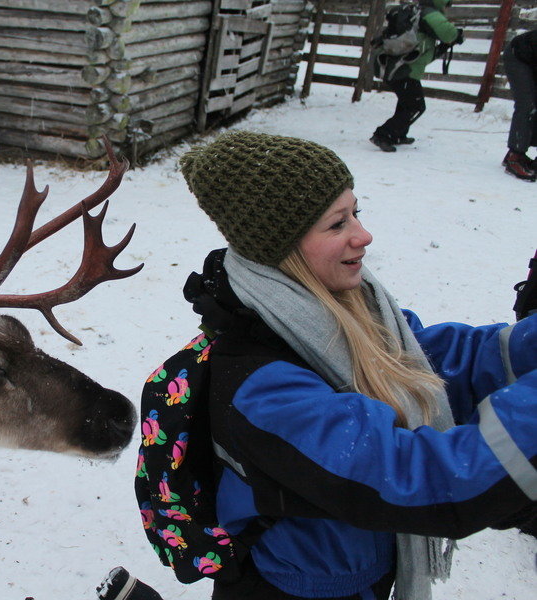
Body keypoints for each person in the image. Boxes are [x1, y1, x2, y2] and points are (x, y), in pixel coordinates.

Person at [126, 130, 535, 600]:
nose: (363, 235)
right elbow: (413, 476)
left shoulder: (345, 309)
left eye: (356, 212)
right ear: (281, 247)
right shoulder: (263, 389)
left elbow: (433, 362)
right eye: (337, 224)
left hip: (365, 570)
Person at [371, 0, 463, 152]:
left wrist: (446, 45)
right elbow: (449, 33)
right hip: (405, 69)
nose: (447, 8)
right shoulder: (430, 14)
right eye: (447, 4)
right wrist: (457, 35)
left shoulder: (415, 12)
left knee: (406, 102)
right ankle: (384, 135)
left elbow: (426, 51)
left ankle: (398, 134)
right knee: (416, 106)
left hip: (394, 67)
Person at [501, 30, 537, 181]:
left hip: (531, 59)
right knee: (527, 105)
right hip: (518, 56)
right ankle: (515, 156)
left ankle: (517, 153)